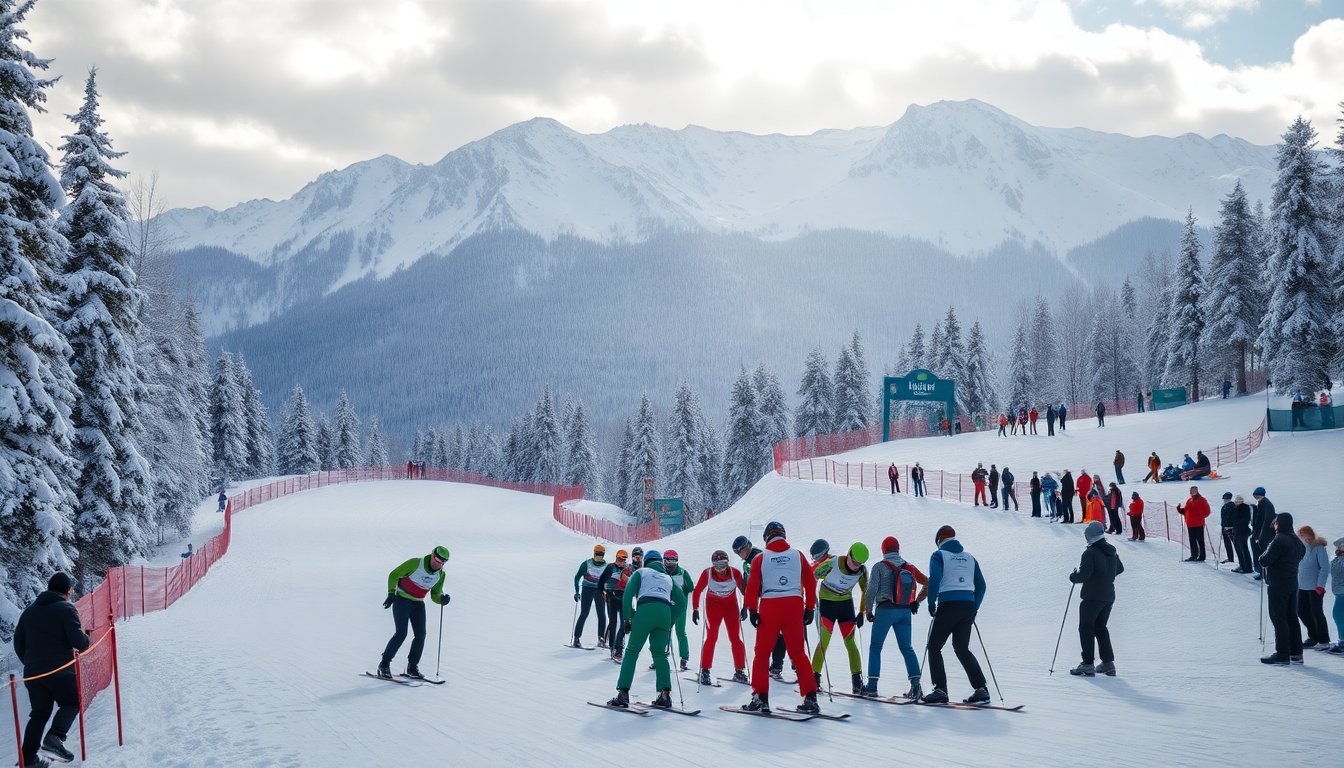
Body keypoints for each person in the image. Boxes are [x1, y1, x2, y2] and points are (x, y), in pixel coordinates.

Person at [741, 521, 821, 714]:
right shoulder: (797, 555)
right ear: (784, 535)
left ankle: (760, 698)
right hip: (794, 604)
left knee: (762, 654)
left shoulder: (761, 557)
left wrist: (752, 610)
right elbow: (810, 584)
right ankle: (810, 697)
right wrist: (809, 608)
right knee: (798, 653)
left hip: (770, 605)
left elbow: (752, 587)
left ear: (767, 537)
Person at [13, 571, 89, 766]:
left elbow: (18, 642)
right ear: (68, 591)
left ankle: (27, 760)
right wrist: (87, 639)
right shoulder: (66, 609)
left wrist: (31, 663)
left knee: (39, 713)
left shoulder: (29, 611)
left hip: (32, 673)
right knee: (71, 703)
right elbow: (79, 642)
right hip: (61, 671)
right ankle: (55, 738)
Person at [605, 550, 685, 709]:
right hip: (664, 613)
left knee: (632, 651)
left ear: (646, 562)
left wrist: (628, 618)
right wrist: (670, 620)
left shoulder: (641, 572)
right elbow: (681, 602)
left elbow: (628, 594)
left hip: (645, 610)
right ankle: (664, 695)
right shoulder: (668, 578)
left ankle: (623, 693)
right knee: (660, 654)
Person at [924, 525, 989, 705]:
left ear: (939, 540)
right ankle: (981, 689)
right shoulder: (970, 558)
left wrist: (930, 603)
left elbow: (935, 580)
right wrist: (974, 608)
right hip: (967, 606)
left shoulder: (938, 555)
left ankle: (940, 690)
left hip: (948, 604)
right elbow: (982, 586)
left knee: (934, 646)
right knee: (962, 648)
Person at [863, 536, 927, 699]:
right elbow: (928, 582)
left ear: (883, 550)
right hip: (905, 612)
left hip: (885, 610)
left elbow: (871, 590)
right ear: (898, 549)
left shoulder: (879, 567)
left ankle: (871, 687)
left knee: (876, 648)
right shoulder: (910, 567)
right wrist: (916, 601)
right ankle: (916, 687)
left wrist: (868, 611)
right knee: (907, 648)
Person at [378, 546, 451, 679]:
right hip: (402, 600)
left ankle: (412, 667)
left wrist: (442, 599)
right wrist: (391, 593)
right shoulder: (416, 563)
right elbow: (394, 574)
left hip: (418, 603)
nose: (438, 564)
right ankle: (384, 664)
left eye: (442, 562)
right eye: (437, 560)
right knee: (401, 633)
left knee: (421, 635)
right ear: (432, 555)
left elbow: (435, 594)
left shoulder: (440, 574)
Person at [810, 541, 870, 694]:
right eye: (854, 561)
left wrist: (862, 612)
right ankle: (813, 678)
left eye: (859, 564)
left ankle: (857, 682)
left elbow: (866, 590)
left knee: (850, 642)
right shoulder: (833, 563)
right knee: (824, 641)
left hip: (845, 606)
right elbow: (813, 576)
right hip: (827, 605)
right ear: (849, 554)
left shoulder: (861, 571)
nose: (855, 566)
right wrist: (809, 600)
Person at [1068, 522, 1124, 676]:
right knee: (1100, 627)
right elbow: (1120, 568)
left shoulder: (1090, 553)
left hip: (1092, 596)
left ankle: (1087, 664)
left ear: (1090, 536)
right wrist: (1106, 576)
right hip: (1108, 595)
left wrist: (1074, 577)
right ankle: (1108, 663)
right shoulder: (1111, 551)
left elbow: (1084, 575)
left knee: (1086, 628)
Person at [732, 535, 787, 678]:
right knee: (776, 632)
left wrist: (750, 607)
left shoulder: (758, 557)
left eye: (741, 551)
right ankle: (777, 665)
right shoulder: (749, 562)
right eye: (737, 553)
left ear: (748, 546)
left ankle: (777, 665)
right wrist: (746, 606)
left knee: (773, 632)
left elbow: (752, 585)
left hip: (771, 598)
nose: (740, 555)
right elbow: (747, 586)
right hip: (767, 598)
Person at [693, 549, 747, 685]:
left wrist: (746, 607)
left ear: (728, 563)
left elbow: (745, 591)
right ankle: (705, 671)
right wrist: (695, 609)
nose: (721, 569)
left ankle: (740, 670)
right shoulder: (708, 573)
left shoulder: (735, 573)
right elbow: (698, 590)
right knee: (711, 637)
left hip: (731, 607)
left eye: (723, 564)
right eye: (717, 565)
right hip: (713, 607)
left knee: (735, 638)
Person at [1259, 513, 1306, 664]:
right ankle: (1296, 653)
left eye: (1276, 523)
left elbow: (1264, 560)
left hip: (1278, 584)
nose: (1274, 525)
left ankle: (1282, 653)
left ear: (1280, 524)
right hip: (1292, 583)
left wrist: (1263, 553)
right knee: (1292, 618)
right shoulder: (1297, 541)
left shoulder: (1279, 540)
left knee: (1279, 618)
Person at [571, 544, 614, 648]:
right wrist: (577, 592)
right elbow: (577, 578)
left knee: (601, 614)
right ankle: (576, 638)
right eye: (598, 554)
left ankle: (601, 639)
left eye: (601, 554)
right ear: (594, 553)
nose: (599, 556)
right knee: (584, 613)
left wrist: (608, 592)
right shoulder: (587, 564)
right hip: (587, 589)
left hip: (599, 591)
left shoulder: (606, 566)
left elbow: (610, 580)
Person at [1297, 526, 1332, 649]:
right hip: (1301, 587)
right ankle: (1313, 636)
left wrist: (1320, 585)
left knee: (1316, 612)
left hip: (1315, 588)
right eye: (1299, 535)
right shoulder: (1301, 549)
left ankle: (1324, 640)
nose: (1300, 537)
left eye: (1302, 535)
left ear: (1308, 535)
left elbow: (1325, 567)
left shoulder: (1318, 548)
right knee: (1300, 611)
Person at [662, 549, 695, 671]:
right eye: (666, 561)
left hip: (680, 607)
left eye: (672, 561)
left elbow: (690, 587)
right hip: (667, 605)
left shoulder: (682, 572)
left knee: (680, 632)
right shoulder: (663, 572)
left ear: (676, 561)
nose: (669, 564)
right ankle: (661, 656)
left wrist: (682, 591)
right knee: (664, 631)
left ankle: (684, 658)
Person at [606, 549, 636, 661]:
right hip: (614, 597)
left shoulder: (633, 569)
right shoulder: (614, 568)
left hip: (626, 599)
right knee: (614, 622)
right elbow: (608, 581)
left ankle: (617, 649)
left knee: (624, 625)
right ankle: (613, 647)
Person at [1176, 487, 1211, 562]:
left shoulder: (1202, 499)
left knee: (1200, 541)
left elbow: (1207, 512)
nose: (1191, 492)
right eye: (1191, 491)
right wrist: (1179, 509)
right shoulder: (1189, 500)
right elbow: (1185, 511)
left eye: (1193, 490)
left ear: (1197, 491)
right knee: (1192, 541)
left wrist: (1199, 514)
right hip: (1190, 524)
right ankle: (1194, 555)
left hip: (1198, 524)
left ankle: (1202, 557)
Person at [1251, 488, 1276, 580]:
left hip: (1264, 536)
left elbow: (1266, 522)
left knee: (1263, 554)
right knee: (1259, 554)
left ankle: (1266, 575)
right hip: (1259, 534)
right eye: (1254, 495)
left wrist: (1259, 536)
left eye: (1257, 495)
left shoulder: (1266, 504)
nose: (1255, 497)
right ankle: (1261, 573)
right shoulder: (1261, 503)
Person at [1229, 496, 1253, 573]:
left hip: (1242, 531)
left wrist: (1237, 525)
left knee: (1243, 549)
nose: (1236, 502)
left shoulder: (1243, 508)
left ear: (1241, 501)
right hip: (1238, 531)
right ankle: (1243, 565)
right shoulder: (1237, 508)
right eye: (1236, 501)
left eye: (1238, 501)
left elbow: (1245, 520)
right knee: (1240, 549)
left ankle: (1246, 567)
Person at [1328, 538, 1344, 654]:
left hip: (1342, 592)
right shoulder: (1337, 559)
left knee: (1338, 616)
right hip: (1339, 592)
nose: (1337, 548)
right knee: (1338, 616)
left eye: (1340, 546)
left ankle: (1343, 642)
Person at [1218, 492, 1237, 564]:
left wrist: (1228, 526)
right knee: (1227, 543)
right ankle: (1230, 557)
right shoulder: (1224, 506)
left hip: (1230, 528)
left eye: (1226, 498)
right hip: (1224, 527)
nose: (1225, 500)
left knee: (1234, 543)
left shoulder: (1232, 506)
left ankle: (1239, 558)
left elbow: (1231, 518)